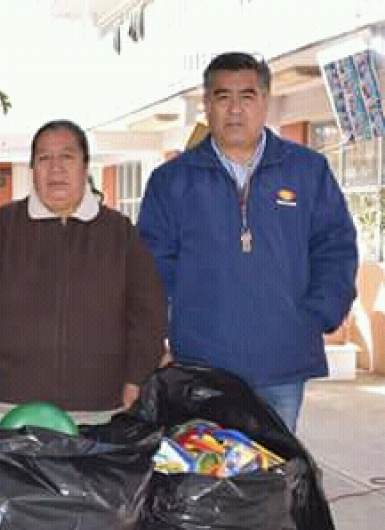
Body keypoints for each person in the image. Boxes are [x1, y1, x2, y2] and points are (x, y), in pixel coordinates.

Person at [137, 52, 358, 431]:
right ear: (207, 105)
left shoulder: (307, 171)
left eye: (247, 97)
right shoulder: (172, 181)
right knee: (204, 477)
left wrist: (318, 313)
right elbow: (152, 266)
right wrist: (162, 332)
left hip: (283, 361)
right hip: (201, 366)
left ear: (265, 102)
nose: (235, 110)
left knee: (274, 476)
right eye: (223, 97)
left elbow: (335, 246)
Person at [0, 120, 167, 425]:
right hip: (6, 404)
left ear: (85, 166)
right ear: (32, 169)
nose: (56, 169)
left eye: (67, 156)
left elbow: (148, 311)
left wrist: (137, 377)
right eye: (44, 158)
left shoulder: (120, 234)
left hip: (101, 408)